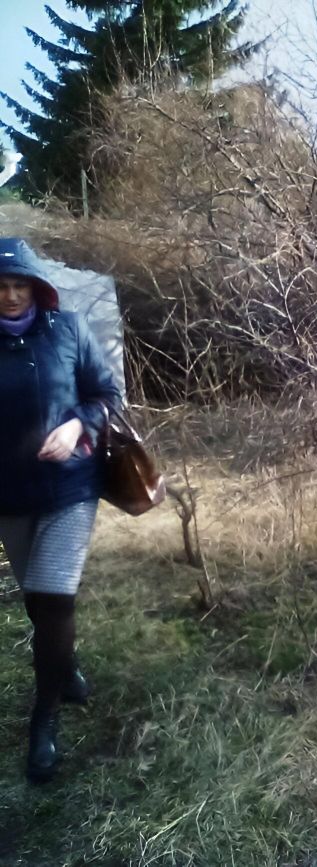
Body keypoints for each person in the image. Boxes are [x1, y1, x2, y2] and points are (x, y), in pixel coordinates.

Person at [0, 237, 121, 784]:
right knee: (39, 603)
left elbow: (105, 394)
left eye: (18, 284)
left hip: (71, 487)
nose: (9, 295)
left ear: (35, 286)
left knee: (53, 596)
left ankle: (43, 719)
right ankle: (65, 666)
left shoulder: (67, 330)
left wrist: (77, 424)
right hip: (9, 494)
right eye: (0, 287)